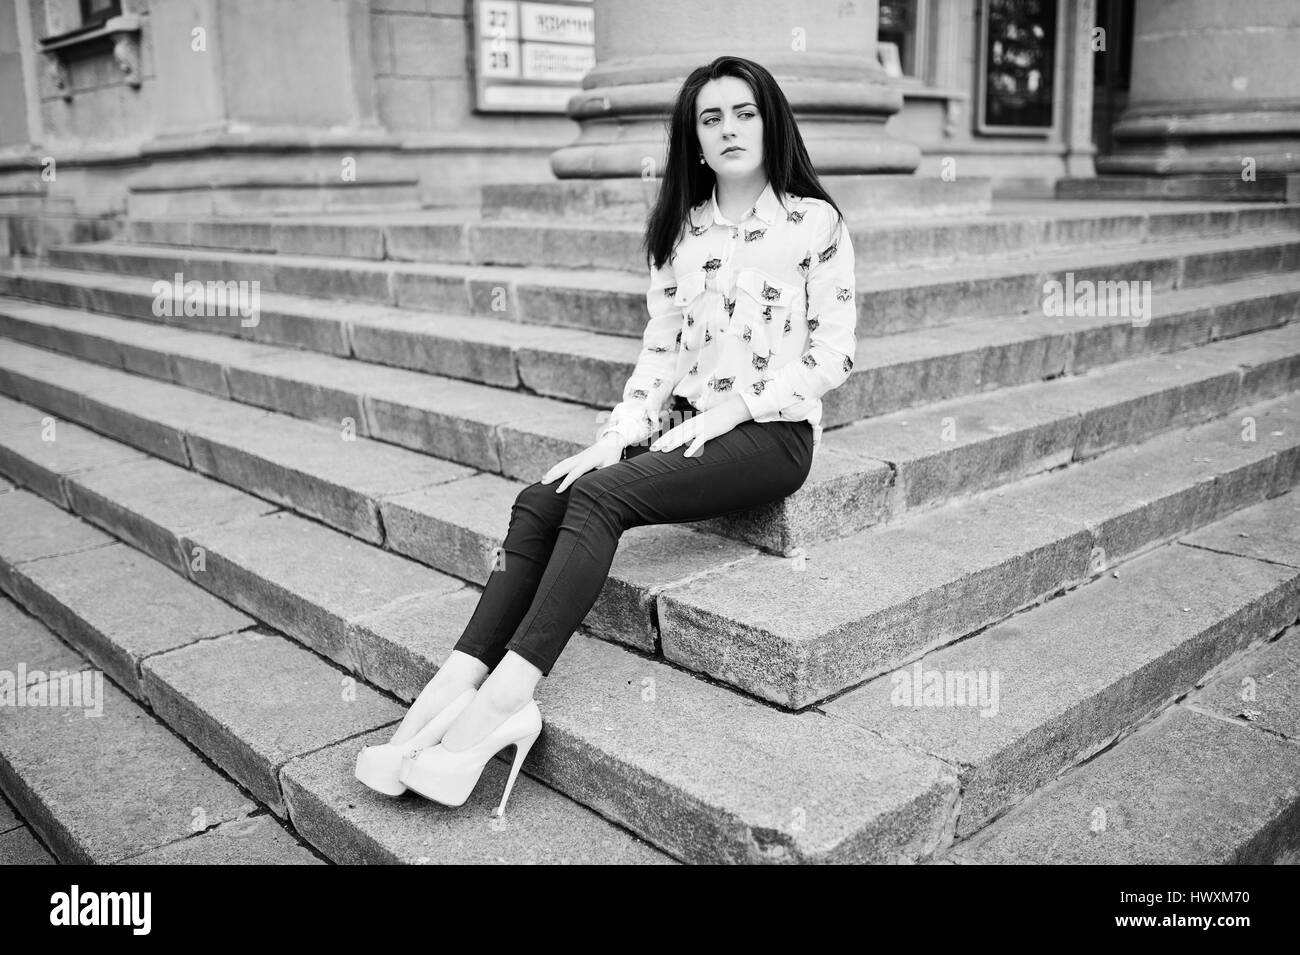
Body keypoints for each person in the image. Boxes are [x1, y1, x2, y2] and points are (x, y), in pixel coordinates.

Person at [354, 55, 858, 818]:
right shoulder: (679, 232)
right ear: (693, 139)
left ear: (771, 122)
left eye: (743, 113)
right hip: (687, 429)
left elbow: (834, 355)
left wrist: (736, 409)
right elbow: (661, 354)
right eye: (711, 118)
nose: (728, 129)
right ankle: (444, 693)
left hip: (771, 434)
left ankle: (503, 707)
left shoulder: (814, 223)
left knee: (597, 504)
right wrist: (618, 435)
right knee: (541, 496)